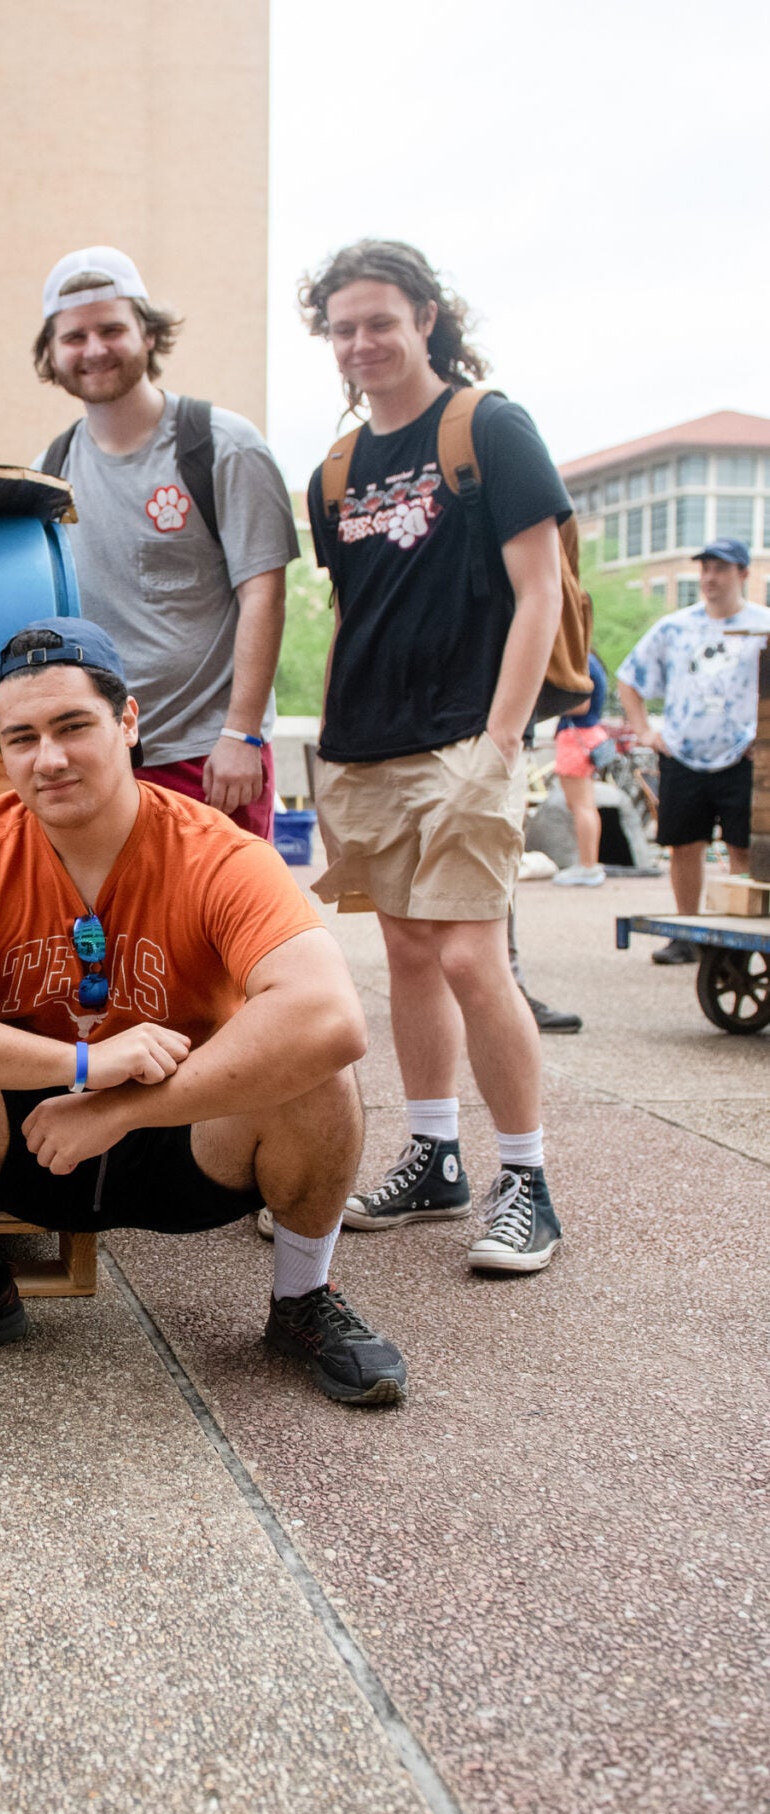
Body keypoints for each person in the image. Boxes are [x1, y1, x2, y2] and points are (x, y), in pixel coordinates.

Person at [0, 618, 408, 1409]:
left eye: (73, 727)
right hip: (37, 1140)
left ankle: (301, 1300)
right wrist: (79, 1069)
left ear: (127, 721)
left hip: (192, 1137)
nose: (50, 758)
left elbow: (329, 1016)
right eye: (22, 737)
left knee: (316, 1067)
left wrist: (126, 1108)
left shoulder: (219, 851)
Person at [299, 238, 572, 1276]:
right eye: (343, 327)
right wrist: (328, 756)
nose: (363, 342)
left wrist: (499, 744)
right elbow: (350, 612)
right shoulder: (333, 470)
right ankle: (436, 1156)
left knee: (469, 956)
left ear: (426, 317)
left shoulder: (487, 427)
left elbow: (537, 589)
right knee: (408, 956)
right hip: (367, 745)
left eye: (381, 320)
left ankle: (528, 1182)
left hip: (467, 735)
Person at [31, 247, 298, 842]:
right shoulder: (47, 473)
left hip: (211, 757)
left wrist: (243, 735)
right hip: (101, 760)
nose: (94, 348)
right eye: (74, 336)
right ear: (51, 354)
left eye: (111, 329)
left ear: (148, 335)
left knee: (226, 934)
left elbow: (265, 594)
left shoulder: (222, 445)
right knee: (117, 936)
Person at [615, 538, 770, 962]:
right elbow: (629, 677)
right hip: (683, 751)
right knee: (684, 843)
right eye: (705, 569)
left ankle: (740, 934)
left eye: (720, 569)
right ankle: (686, 933)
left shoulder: (763, 626)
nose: (709, 577)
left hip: (743, 755)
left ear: (743, 574)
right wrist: (644, 730)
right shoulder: (674, 627)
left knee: (744, 845)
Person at [549, 650, 611, 887]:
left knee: (581, 805)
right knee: (583, 804)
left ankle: (588, 866)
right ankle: (587, 863)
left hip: (577, 736)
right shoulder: (590, 659)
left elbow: (580, 705)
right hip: (586, 735)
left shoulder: (580, 660)